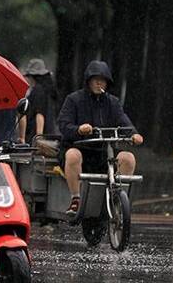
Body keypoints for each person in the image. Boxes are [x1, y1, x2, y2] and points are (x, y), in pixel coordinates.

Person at [58, 60, 143, 216]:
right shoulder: (74, 99)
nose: (99, 83)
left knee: (128, 158)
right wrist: (79, 129)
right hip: (81, 151)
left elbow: (123, 120)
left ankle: (117, 199)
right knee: (72, 155)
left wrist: (134, 134)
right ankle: (76, 199)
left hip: (104, 153)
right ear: (88, 81)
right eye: (95, 79)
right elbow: (63, 124)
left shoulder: (113, 102)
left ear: (107, 83)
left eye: (102, 80)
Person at [19, 58, 58, 144]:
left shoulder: (38, 90)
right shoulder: (48, 90)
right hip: (49, 132)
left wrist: (38, 137)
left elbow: (39, 114)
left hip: (36, 135)